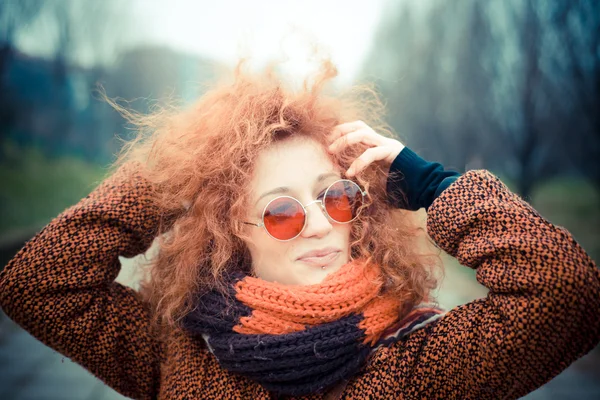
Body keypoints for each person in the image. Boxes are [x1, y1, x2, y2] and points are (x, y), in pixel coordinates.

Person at [1, 59, 599, 400]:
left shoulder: (420, 361)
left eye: (334, 196)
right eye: (281, 211)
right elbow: (40, 281)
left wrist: (431, 183)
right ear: (234, 231)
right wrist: (170, 179)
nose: (318, 224)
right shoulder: (177, 356)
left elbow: (569, 294)